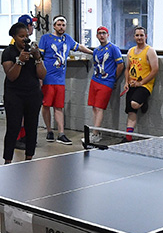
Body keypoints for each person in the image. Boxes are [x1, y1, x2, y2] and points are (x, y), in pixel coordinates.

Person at [37, 15, 91, 144]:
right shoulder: (46, 38)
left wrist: (93, 53)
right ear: (54, 26)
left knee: (58, 107)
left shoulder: (68, 39)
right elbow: (38, 57)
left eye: (63, 25)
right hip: (48, 77)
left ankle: (61, 133)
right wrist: (39, 77)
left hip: (60, 79)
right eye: (59, 25)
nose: (61, 27)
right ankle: (49, 130)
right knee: (46, 105)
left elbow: (80, 47)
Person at [2, 22, 45, 163]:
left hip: (32, 94)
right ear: (14, 37)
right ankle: (7, 160)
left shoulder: (33, 51)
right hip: (14, 95)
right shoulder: (9, 52)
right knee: (13, 127)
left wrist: (38, 58)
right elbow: (11, 76)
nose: (24, 39)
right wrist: (20, 61)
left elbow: (42, 75)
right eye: (21, 36)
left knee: (31, 127)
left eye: (27, 36)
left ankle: (29, 158)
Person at [83, 26, 123, 145]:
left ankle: (95, 133)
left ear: (108, 35)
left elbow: (120, 65)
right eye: (99, 33)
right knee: (94, 107)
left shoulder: (113, 48)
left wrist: (113, 78)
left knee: (100, 107)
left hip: (106, 82)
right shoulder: (96, 50)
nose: (102, 35)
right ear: (96, 36)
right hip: (95, 80)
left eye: (104, 33)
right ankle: (96, 131)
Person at [123, 26, 158, 141]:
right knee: (131, 112)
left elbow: (155, 70)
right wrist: (127, 82)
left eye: (141, 35)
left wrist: (141, 82)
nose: (139, 37)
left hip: (144, 85)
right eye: (137, 35)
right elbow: (127, 68)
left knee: (134, 104)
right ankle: (128, 138)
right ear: (134, 37)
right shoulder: (130, 51)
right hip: (132, 84)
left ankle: (143, 102)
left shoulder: (150, 51)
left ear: (145, 36)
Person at [13, 14, 35, 149]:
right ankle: (18, 137)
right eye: (31, 25)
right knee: (19, 116)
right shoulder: (14, 46)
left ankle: (25, 136)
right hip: (18, 87)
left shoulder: (28, 43)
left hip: (29, 86)